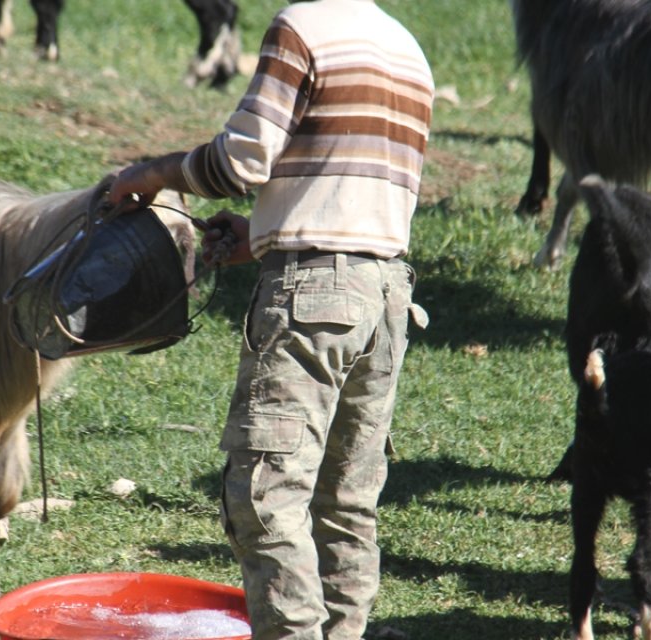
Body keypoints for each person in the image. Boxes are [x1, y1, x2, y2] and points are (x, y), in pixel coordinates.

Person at [107, 1, 432, 637]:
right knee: (346, 501)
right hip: (386, 292)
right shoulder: (406, 49)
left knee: (266, 496)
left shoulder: (302, 29)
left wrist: (152, 173)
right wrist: (263, 234)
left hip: (314, 297)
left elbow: (242, 161)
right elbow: (355, 185)